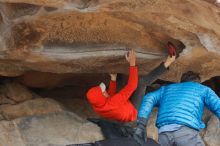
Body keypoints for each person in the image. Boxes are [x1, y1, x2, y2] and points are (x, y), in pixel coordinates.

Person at [86, 47, 176, 122]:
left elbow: (110, 96)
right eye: (103, 91)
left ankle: (151, 90)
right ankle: (169, 61)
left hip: (124, 107)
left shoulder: (98, 105)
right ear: (102, 96)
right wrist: (132, 63)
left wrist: (113, 79)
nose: (105, 91)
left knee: (122, 83)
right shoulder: (112, 103)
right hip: (133, 111)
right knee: (141, 83)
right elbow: (132, 86)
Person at [134, 71, 220, 146]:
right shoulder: (203, 89)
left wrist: (141, 123)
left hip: (164, 133)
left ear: (182, 81)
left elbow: (149, 97)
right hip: (186, 133)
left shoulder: (166, 89)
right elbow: (218, 105)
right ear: (198, 81)